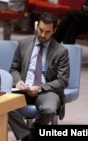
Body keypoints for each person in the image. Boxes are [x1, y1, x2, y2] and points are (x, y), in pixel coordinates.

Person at [8, 12, 70, 141]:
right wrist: (18, 81)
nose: (42, 35)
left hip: (46, 90)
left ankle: (31, 134)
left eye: (47, 32)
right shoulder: (24, 44)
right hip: (23, 88)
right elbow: (14, 68)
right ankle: (27, 137)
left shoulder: (61, 51)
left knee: (49, 109)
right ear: (37, 26)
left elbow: (62, 81)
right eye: (40, 30)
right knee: (2, 105)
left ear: (54, 30)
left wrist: (40, 88)